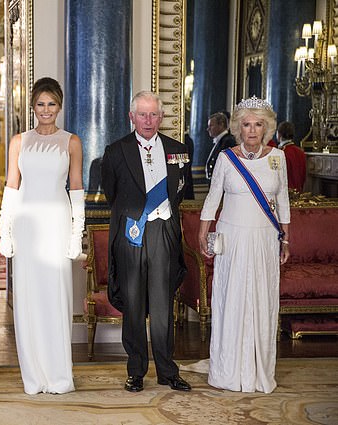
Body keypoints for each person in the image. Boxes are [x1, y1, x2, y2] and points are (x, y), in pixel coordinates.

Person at [198, 97, 290, 393]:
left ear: (267, 128)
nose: (252, 131)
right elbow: (213, 199)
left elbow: (283, 201)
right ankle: (228, 370)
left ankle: (258, 369)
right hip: (233, 238)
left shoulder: (278, 158)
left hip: (264, 238)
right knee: (233, 299)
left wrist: (285, 238)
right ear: (238, 127)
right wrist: (203, 232)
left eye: (258, 124)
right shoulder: (227, 158)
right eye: (247, 124)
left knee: (261, 300)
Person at [0, 77, 84, 395]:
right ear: (32, 106)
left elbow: (76, 189)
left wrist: (77, 235)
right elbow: (11, 187)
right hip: (27, 226)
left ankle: (60, 376)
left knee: (56, 299)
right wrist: (5, 231)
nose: (45, 110)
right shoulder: (18, 141)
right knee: (29, 300)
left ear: (59, 106)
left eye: (51, 104)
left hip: (58, 224)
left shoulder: (72, 141)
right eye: (40, 104)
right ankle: (34, 376)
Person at [101, 90, 191, 393]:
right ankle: (136, 371)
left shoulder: (178, 150)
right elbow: (111, 194)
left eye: (154, 114)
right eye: (142, 114)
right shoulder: (115, 151)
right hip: (132, 234)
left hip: (163, 232)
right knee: (135, 304)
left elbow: (181, 192)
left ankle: (168, 371)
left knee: (163, 305)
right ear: (132, 117)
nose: (148, 120)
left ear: (161, 117)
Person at [205, 112, 237, 181]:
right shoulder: (220, 141)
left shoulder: (228, 141)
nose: (208, 129)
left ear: (221, 125)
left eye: (211, 126)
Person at [276, 121, 307, 192]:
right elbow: (303, 175)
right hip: (298, 192)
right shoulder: (300, 151)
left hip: (284, 193)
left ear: (279, 134)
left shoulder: (281, 152)